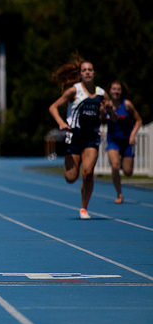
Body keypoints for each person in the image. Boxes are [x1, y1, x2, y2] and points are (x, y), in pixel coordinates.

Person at [48, 54, 116, 219]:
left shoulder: (102, 93)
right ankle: (79, 178)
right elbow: (53, 107)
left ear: (94, 73)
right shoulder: (74, 91)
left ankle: (84, 208)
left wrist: (109, 110)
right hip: (74, 135)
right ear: (80, 74)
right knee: (71, 178)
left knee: (88, 172)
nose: (87, 72)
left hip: (91, 136)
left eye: (90, 70)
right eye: (84, 70)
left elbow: (113, 119)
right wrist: (61, 122)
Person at [105, 80, 142, 204]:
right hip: (113, 140)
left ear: (121, 91)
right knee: (114, 166)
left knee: (128, 172)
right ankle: (119, 194)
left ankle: (121, 161)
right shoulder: (106, 106)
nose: (116, 92)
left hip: (126, 141)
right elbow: (97, 119)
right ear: (110, 91)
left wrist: (132, 135)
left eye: (118, 89)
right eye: (114, 89)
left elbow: (138, 120)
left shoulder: (127, 105)